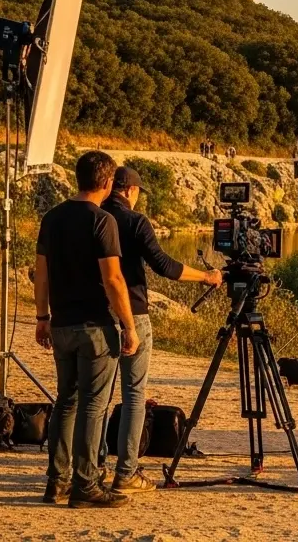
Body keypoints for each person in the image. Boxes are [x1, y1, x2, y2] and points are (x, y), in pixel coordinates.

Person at [98, 166, 221, 494]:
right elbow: (164, 266)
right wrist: (206, 277)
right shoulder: (134, 221)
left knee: (99, 397)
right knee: (134, 394)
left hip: (96, 315)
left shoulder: (94, 216)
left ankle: (93, 467)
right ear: (130, 191)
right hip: (133, 313)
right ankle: (126, 471)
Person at [34, 150, 139, 509]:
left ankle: (56, 481)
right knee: (93, 406)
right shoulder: (102, 221)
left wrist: (41, 317)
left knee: (66, 402)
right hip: (94, 326)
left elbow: (42, 273)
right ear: (108, 183)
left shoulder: (52, 218)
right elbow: (113, 279)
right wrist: (128, 325)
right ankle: (86, 483)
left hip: (60, 324)